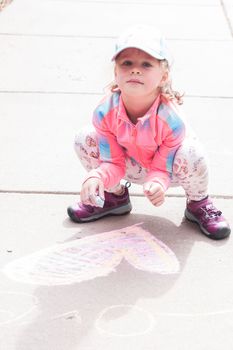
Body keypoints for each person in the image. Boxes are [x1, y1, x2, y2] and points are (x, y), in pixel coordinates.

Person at [67, 25, 231, 240]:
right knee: (84, 137)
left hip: (170, 168)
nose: (135, 70)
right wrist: (96, 176)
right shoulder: (104, 112)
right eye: (127, 63)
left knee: (192, 151)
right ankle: (112, 197)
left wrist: (156, 184)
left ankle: (198, 202)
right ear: (116, 72)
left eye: (146, 64)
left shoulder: (171, 120)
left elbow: (162, 167)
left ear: (163, 77)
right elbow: (112, 161)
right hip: (128, 163)